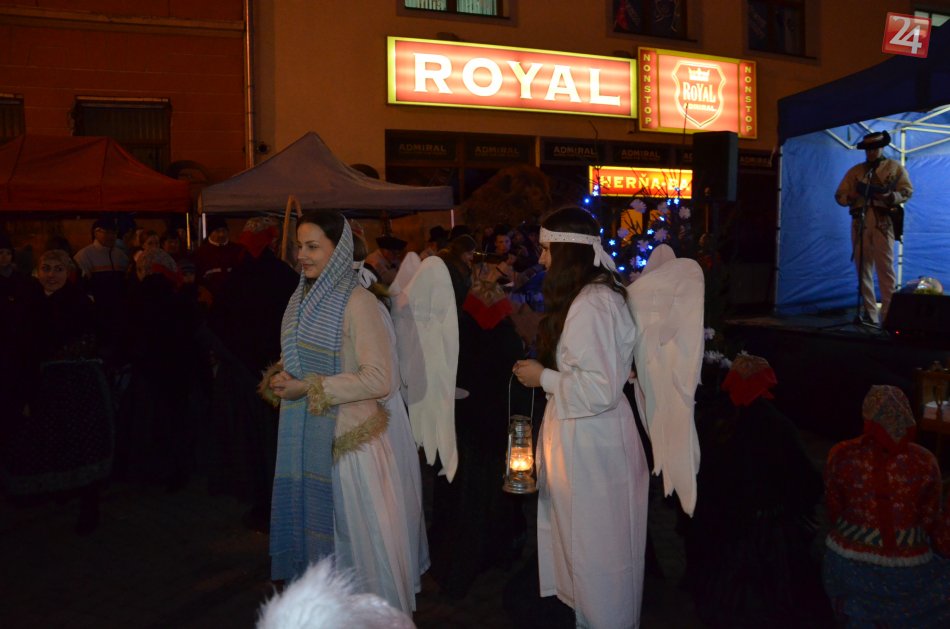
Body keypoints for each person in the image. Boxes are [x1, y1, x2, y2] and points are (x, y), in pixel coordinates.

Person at [262, 212, 420, 614]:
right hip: (310, 441)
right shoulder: (300, 299)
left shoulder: (359, 302)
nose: (302, 255)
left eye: (313, 246)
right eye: (299, 246)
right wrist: (281, 375)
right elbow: (297, 357)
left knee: (356, 553)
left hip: (350, 450)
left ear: (338, 250)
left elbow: (380, 379)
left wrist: (309, 387)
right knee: (324, 551)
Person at [512, 206, 648, 628]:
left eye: (547, 249)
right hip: (585, 440)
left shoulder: (593, 303)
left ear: (568, 252)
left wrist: (543, 377)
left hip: (593, 445)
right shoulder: (590, 298)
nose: (542, 259)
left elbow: (598, 389)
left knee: (599, 554)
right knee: (585, 548)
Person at [684, 353, 831, 629]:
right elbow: (806, 482)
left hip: (717, 532)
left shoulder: (710, 421)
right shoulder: (776, 425)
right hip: (763, 540)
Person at [823, 384, 950, 628]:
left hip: (846, 564)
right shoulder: (925, 460)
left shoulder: (840, 454)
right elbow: (930, 519)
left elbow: (834, 508)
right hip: (908, 569)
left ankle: (858, 612)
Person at [835, 130, 913, 325]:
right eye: (868, 149)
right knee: (862, 268)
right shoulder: (855, 171)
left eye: (874, 149)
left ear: (882, 148)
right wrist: (852, 195)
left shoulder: (895, 168)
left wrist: (890, 196)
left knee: (885, 269)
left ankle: (888, 315)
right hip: (859, 221)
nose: (870, 153)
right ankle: (870, 314)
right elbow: (840, 195)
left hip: (882, 221)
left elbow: (906, 191)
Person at [192, 216, 245, 299]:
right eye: (217, 231)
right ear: (210, 233)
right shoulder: (200, 253)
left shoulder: (238, 250)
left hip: (235, 298)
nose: (221, 234)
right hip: (210, 300)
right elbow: (196, 280)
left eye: (224, 231)